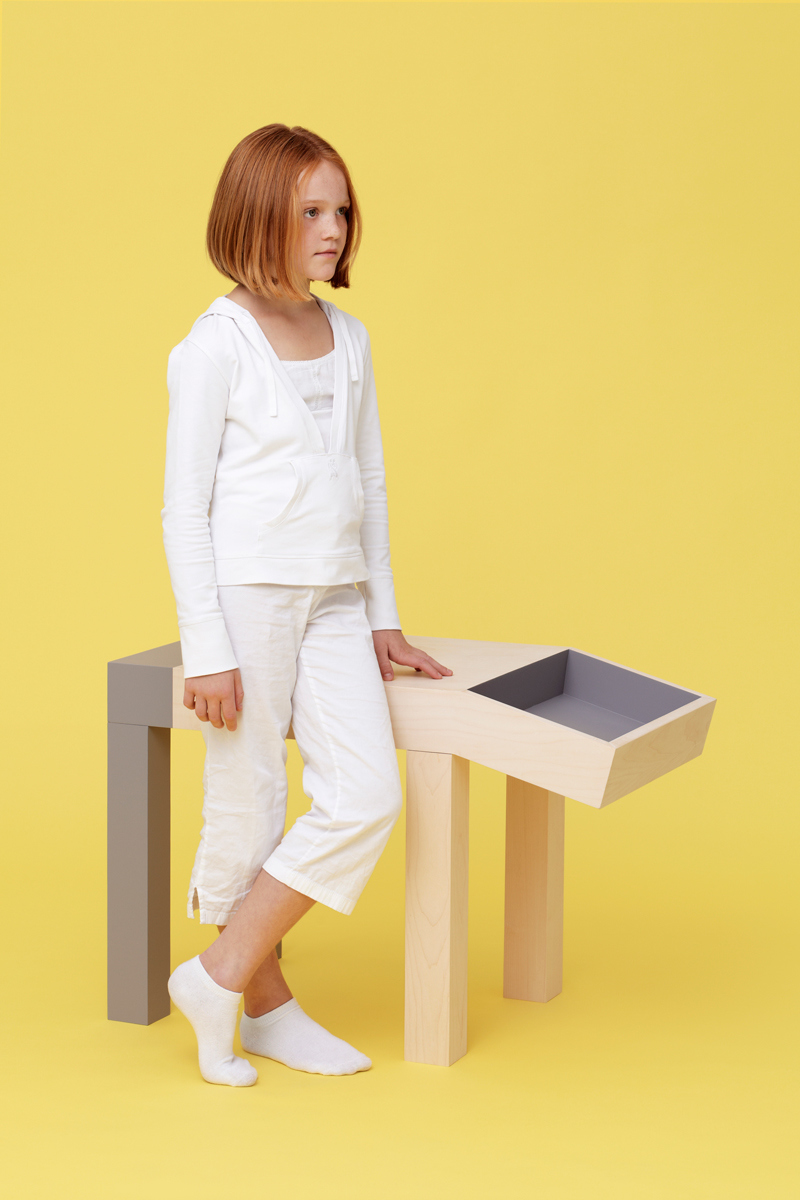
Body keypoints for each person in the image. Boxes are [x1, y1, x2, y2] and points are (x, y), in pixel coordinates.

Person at [161, 123, 451, 1087]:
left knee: (366, 794)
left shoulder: (350, 337)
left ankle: (221, 975)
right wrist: (207, 646)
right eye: (311, 211)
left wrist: (384, 618)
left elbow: (366, 479)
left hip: (334, 600)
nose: (333, 229)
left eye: (341, 210)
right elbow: (183, 508)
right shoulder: (214, 348)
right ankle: (267, 1009)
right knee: (249, 801)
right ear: (259, 217)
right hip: (246, 601)